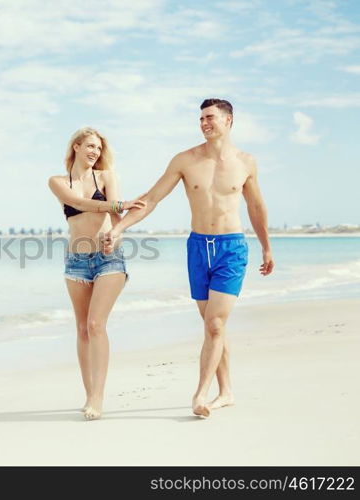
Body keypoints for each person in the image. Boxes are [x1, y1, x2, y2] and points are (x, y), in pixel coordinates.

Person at [104, 99, 274, 418]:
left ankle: (200, 394)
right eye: (200, 118)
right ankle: (227, 392)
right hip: (197, 248)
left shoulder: (246, 162)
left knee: (215, 323)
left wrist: (266, 246)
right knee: (213, 326)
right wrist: (120, 229)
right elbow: (151, 199)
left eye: (210, 117)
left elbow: (256, 207)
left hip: (232, 247)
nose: (204, 123)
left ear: (229, 121)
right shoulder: (185, 160)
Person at [48, 127, 146, 420]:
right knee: (81, 328)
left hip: (108, 259)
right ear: (75, 146)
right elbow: (78, 203)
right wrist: (117, 204)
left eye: (99, 148)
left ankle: (98, 398)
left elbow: (116, 219)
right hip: (76, 260)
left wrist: (115, 234)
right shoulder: (57, 181)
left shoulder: (106, 177)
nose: (95, 152)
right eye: (90, 146)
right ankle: (89, 393)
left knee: (95, 325)